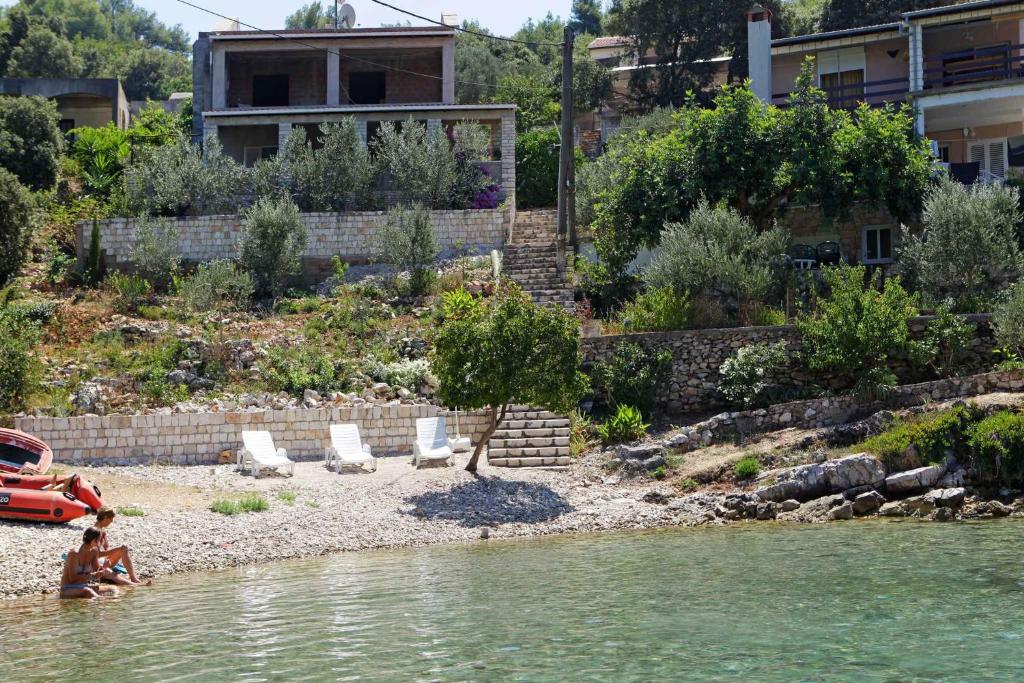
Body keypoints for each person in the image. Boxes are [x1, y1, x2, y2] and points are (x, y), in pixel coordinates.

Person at [93, 506, 149, 586]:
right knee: (120, 549)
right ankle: (133, 584)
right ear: (105, 517)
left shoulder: (102, 530)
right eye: (111, 519)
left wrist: (108, 558)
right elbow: (97, 554)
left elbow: (106, 548)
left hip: (101, 561)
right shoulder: (94, 531)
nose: (111, 522)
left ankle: (133, 578)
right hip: (93, 563)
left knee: (123, 549)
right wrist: (116, 549)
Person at [60, 527, 118, 599]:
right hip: (68, 588)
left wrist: (104, 568)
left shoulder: (94, 551)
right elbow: (73, 579)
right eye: (100, 539)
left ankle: (102, 604)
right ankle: (102, 604)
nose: (102, 541)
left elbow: (97, 573)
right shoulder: (74, 553)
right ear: (94, 540)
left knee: (113, 589)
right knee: (88, 592)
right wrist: (92, 576)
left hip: (84, 585)